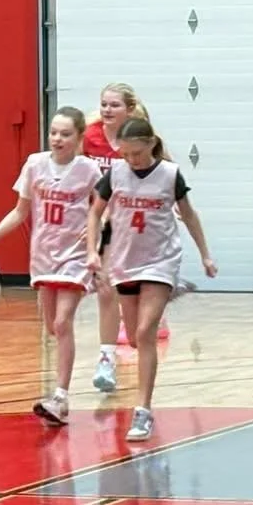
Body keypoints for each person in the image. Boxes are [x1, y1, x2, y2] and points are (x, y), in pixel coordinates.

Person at [0, 106, 100, 425]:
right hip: (43, 255)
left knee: (64, 322)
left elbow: (105, 206)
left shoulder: (90, 171)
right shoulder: (35, 165)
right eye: (54, 132)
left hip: (74, 256)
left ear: (79, 137)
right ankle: (59, 393)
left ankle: (61, 396)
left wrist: (100, 224)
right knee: (52, 326)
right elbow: (20, 211)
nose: (57, 138)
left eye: (65, 134)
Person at [86, 116, 216, 441]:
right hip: (125, 261)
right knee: (132, 338)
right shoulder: (114, 174)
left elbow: (189, 215)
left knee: (146, 332)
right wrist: (92, 251)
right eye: (126, 155)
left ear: (151, 145)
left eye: (137, 154)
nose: (131, 160)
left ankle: (142, 411)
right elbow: (93, 212)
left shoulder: (169, 175)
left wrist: (205, 254)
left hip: (160, 261)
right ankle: (165, 297)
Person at [82, 82, 171, 393]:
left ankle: (156, 314)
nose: (106, 110)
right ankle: (106, 359)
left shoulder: (143, 139)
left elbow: (167, 173)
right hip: (107, 222)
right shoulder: (90, 136)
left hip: (138, 223)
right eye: (103, 104)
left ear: (129, 110)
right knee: (106, 289)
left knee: (137, 287)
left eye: (114, 105)